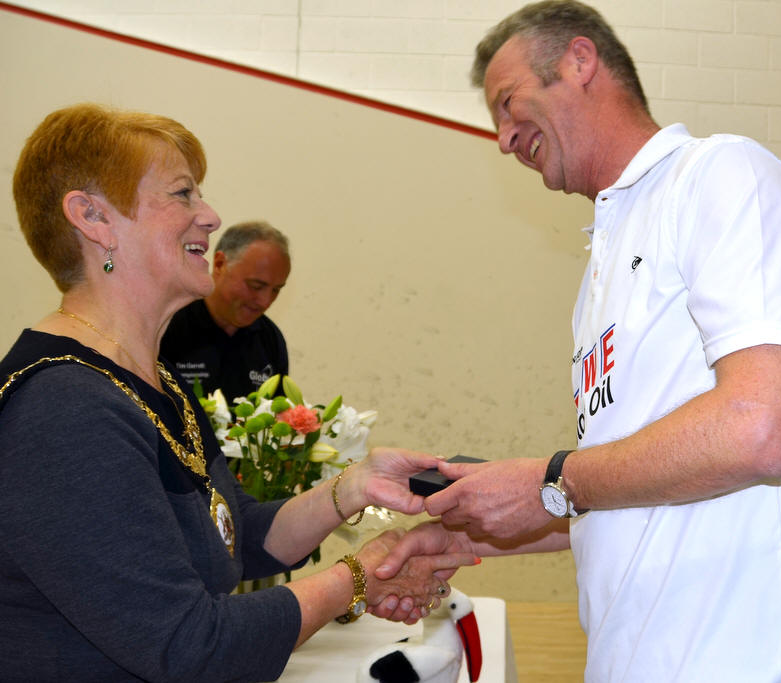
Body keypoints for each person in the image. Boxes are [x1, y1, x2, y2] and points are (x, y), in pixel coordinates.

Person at [377, 2, 781, 680]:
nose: (503, 139)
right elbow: (630, 492)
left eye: (508, 104)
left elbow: (760, 429)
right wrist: (467, 534)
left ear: (579, 60)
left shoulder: (722, 175)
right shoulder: (604, 260)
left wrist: (550, 480)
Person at [0, 103, 475, 682]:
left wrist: (353, 487)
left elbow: (236, 536)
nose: (210, 216)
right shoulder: (64, 408)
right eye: (182, 194)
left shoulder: (153, 380)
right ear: (93, 218)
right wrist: (356, 576)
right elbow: (190, 646)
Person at [160, 219, 291, 400]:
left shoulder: (269, 338)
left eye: (276, 290)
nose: (265, 301)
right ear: (220, 264)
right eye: (255, 286)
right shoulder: (167, 324)